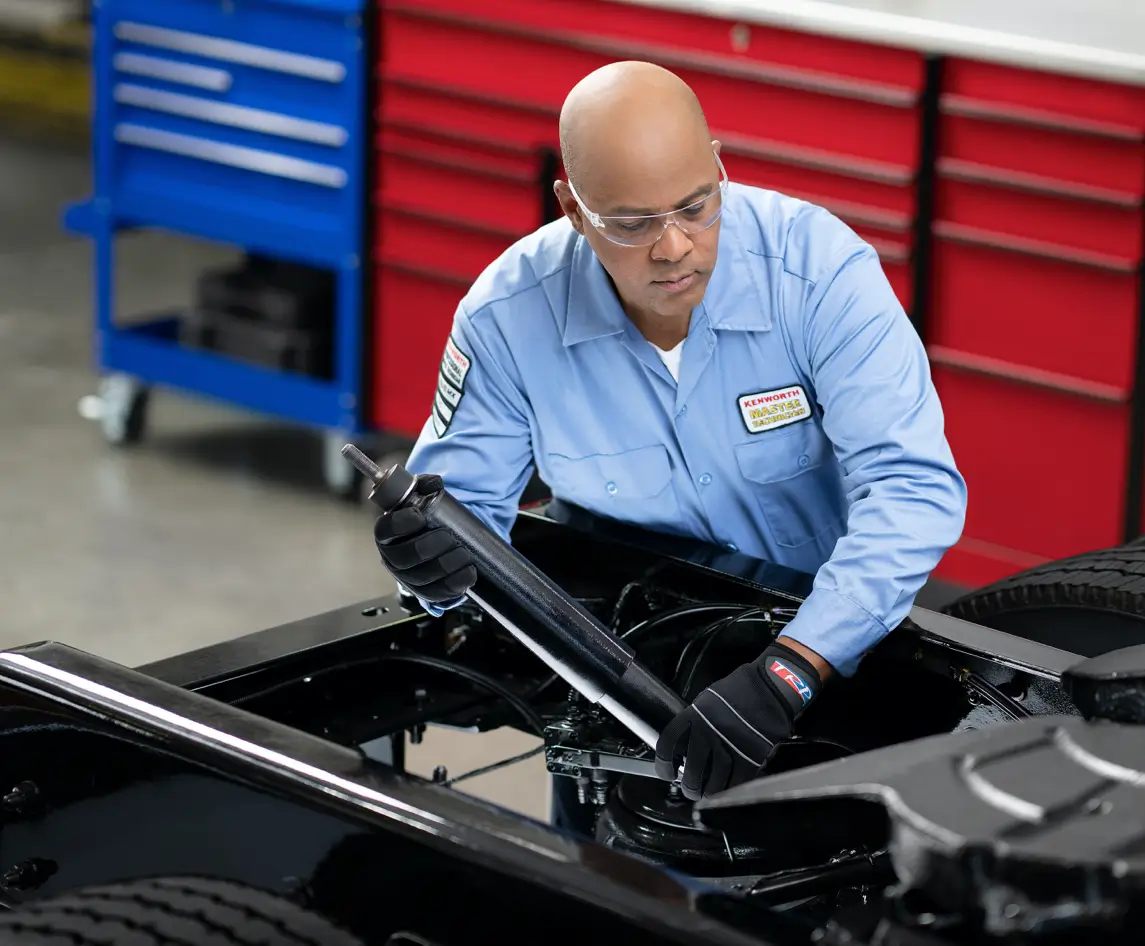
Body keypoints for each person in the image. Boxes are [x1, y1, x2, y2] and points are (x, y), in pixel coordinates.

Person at [372, 61, 967, 805]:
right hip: (620, 688)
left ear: (719, 165)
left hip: (824, 659)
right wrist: (427, 565)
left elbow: (910, 489)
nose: (674, 247)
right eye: (632, 224)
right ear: (572, 207)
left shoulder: (820, 275)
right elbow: (465, 533)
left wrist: (792, 668)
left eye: (696, 206)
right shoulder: (507, 318)